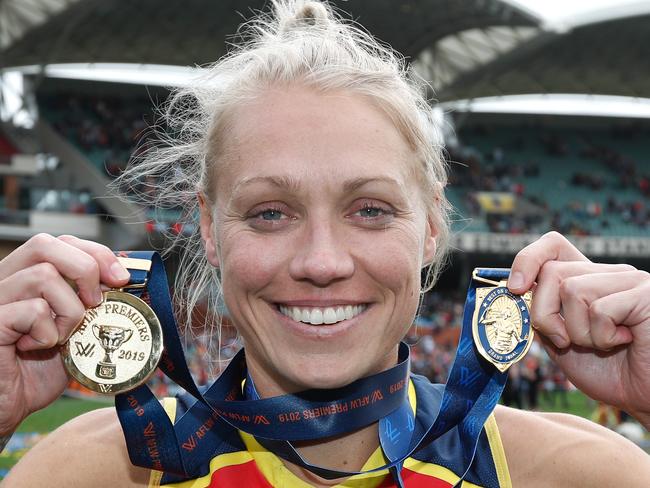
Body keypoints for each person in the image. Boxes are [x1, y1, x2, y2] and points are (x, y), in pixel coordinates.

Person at [1, 1, 650, 486]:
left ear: (430, 225)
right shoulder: (95, 471)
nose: (321, 262)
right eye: (269, 212)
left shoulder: (568, 472)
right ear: (209, 226)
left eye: (369, 210)